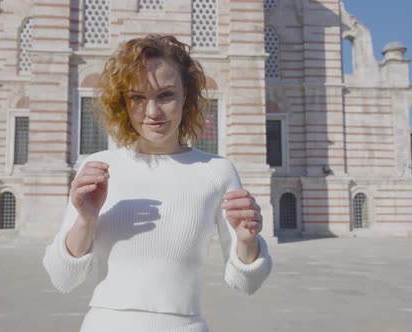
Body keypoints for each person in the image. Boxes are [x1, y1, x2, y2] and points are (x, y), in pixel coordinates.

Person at [42, 34, 272, 332]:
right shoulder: (98, 166)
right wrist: (86, 219)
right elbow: (63, 278)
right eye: (137, 97)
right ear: (123, 102)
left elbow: (246, 283)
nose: (152, 112)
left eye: (165, 95)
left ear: (185, 96)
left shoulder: (217, 171)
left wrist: (247, 240)